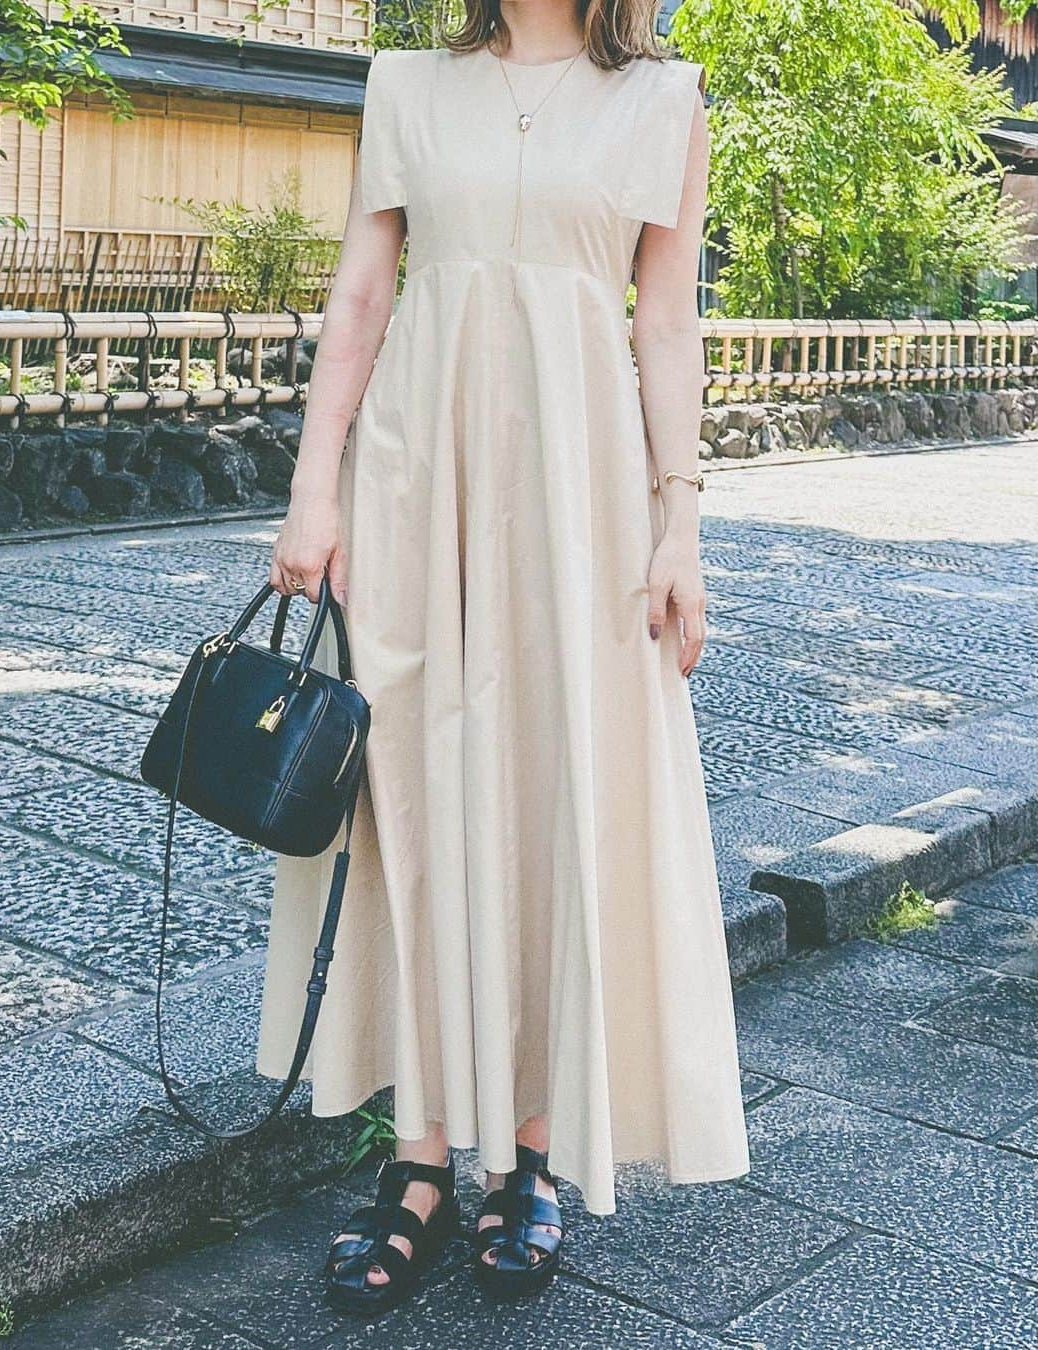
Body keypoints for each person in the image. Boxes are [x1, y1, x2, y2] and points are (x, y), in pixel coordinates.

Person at [258, 0, 749, 1316]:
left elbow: (665, 317)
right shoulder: (407, 84)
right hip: (416, 482)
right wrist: (317, 490)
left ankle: (527, 1148)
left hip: (583, 502)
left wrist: (680, 520)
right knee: (408, 796)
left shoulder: (665, 101)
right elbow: (362, 292)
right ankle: (417, 1157)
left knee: (551, 800)